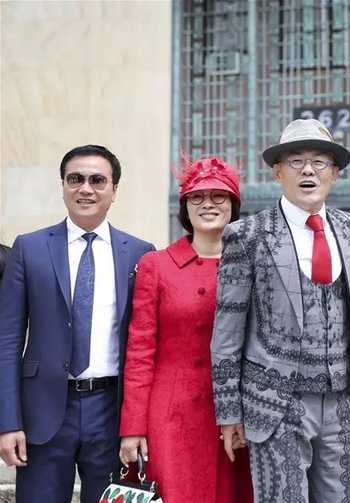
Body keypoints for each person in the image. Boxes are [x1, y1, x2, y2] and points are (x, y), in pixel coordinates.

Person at [211, 119, 350, 503]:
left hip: (340, 400)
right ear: (278, 172)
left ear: (335, 173)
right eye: (296, 161)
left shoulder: (349, 228)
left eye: (319, 162)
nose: (308, 171)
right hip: (276, 402)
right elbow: (227, 332)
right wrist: (229, 411)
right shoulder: (247, 235)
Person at [0, 145, 154, 502]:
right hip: (42, 411)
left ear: (114, 190)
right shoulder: (30, 248)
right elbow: (7, 340)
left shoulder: (140, 253)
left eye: (97, 180)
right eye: (76, 179)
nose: (86, 188)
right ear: (63, 186)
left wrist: (139, 423)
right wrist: (8, 421)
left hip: (111, 412)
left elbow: (146, 343)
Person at [118, 157, 253, 502]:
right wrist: (133, 427)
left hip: (237, 412)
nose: (208, 204)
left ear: (234, 205)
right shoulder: (156, 265)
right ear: (185, 207)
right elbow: (140, 352)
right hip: (172, 412)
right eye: (197, 197)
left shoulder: (254, 264)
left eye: (218, 196)